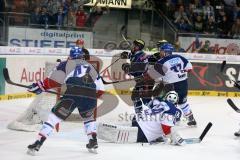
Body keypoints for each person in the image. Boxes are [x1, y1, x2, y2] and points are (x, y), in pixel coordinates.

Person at [27, 47, 104, 155]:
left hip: (73, 94)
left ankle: (38, 143)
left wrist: (37, 86)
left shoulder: (65, 64)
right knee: (89, 118)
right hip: (90, 96)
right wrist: (88, 95)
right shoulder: (92, 67)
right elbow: (101, 90)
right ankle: (93, 141)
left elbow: (52, 82)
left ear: (70, 56)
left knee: (53, 118)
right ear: (82, 56)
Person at [97, 91, 185, 146]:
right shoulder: (176, 110)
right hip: (144, 134)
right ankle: (153, 134)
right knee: (163, 126)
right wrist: (172, 137)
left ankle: (138, 105)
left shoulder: (161, 102)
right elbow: (166, 127)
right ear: (176, 101)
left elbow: (155, 111)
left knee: (149, 112)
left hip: (137, 118)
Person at [147, 43, 197, 126]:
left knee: (163, 100)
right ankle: (191, 119)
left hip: (170, 85)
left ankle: (170, 118)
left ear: (166, 52)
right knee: (182, 102)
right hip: (183, 83)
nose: (160, 53)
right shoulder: (179, 57)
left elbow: (153, 75)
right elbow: (190, 68)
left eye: (161, 51)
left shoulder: (161, 61)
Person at [120, 39, 154, 117]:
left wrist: (127, 69)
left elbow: (137, 72)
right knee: (135, 97)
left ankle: (159, 112)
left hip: (146, 81)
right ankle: (139, 116)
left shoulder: (140, 57)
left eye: (134, 45)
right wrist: (126, 54)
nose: (132, 46)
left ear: (138, 47)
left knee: (146, 100)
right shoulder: (137, 54)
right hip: (143, 81)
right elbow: (132, 56)